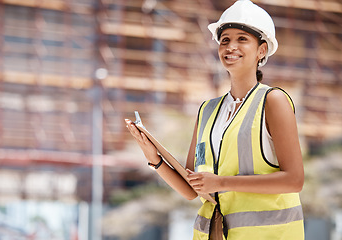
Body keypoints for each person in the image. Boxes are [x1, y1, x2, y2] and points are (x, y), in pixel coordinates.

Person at [125, 0, 304, 239]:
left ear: (262, 50)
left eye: (242, 39)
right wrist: (153, 157)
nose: (231, 47)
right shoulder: (207, 111)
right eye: (225, 40)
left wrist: (220, 183)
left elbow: (294, 180)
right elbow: (192, 189)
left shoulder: (273, 101)